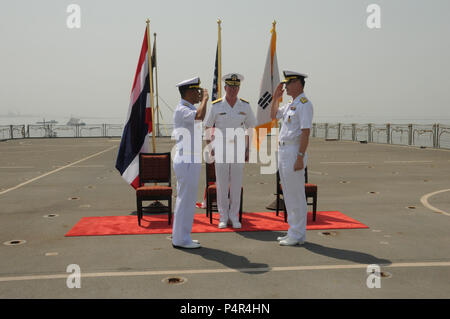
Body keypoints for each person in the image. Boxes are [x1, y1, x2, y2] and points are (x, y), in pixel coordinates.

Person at [204, 73, 256, 229]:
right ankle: (223, 216)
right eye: (230, 87)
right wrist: (210, 146)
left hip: (238, 148)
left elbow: (251, 127)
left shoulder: (245, 106)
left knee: (236, 183)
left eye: (236, 87)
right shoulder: (216, 105)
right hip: (221, 147)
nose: (233, 90)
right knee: (221, 184)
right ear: (225, 87)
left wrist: (248, 149)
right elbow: (208, 126)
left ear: (239, 88)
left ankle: (234, 216)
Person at [270, 70, 314, 246]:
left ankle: (297, 233)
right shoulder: (291, 104)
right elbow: (273, 115)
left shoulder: (304, 104)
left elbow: (305, 132)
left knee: (296, 194)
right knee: (288, 193)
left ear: (298, 83)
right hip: (283, 151)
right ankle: (294, 231)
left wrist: (300, 157)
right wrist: (275, 98)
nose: (286, 86)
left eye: (288, 83)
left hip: (294, 151)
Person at [172, 77, 208, 249]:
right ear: (188, 92)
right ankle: (179, 238)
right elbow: (200, 116)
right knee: (184, 199)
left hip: (191, 159)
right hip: (186, 159)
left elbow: (200, 116)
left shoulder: (190, 108)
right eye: (196, 91)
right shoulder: (182, 110)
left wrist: (203, 101)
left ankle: (184, 236)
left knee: (188, 200)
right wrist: (206, 99)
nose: (199, 94)